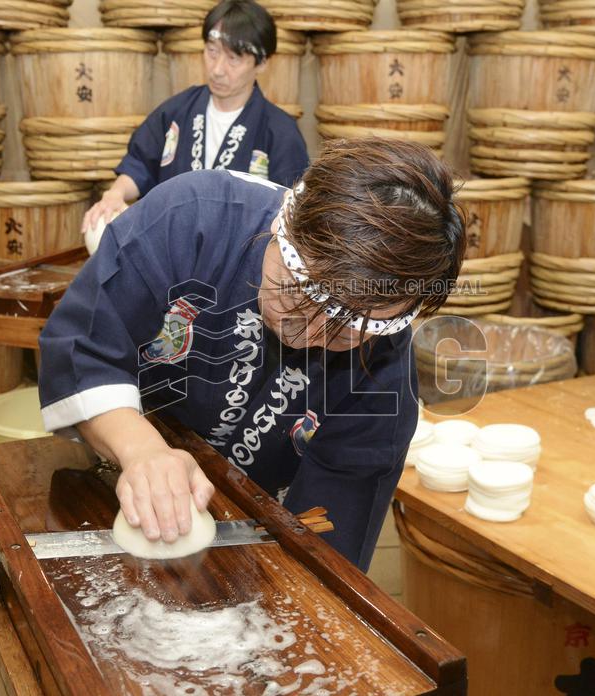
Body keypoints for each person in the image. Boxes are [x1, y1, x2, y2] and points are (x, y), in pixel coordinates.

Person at [39, 138, 465, 571]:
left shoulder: (383, 369)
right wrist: (141, 451)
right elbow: (84, 347)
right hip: (114, 473)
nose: (308, 333)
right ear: (283, 230)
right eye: (297, 296)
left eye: (343, 333)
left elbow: (332, 535)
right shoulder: (193, 217)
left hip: (255, 530)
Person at [82, 0, 309, 235]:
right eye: (212, 51)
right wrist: (115, 193)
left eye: (234, 59)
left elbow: (293, 212)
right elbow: (140, 165)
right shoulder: (176, 112)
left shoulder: (280, 132)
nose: (218, 69)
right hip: (171, 250)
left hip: (242, 262)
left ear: (262, 63)